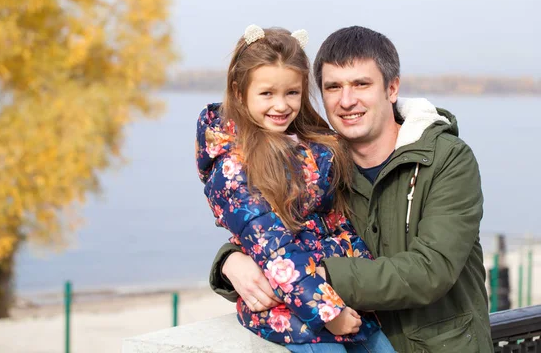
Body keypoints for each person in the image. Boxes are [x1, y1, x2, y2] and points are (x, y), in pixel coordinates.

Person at [209, 26, 494, 352]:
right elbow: (270, 227)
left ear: (392, 88)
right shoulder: (320, 165)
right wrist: (229, 262)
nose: (347, 100)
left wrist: (311, 275)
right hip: (358, 334)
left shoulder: (447, 160)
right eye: (333, 87)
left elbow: (430, 271)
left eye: (361, 84)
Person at [195, 25, 396, 352]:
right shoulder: (233, 167)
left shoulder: (312, 146)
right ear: (238, 90)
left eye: (291, 93)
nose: (281, 105)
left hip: (338, 295)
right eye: (267, 94)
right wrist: (327, 313)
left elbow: (334, 222)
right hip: (294, 313)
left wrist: (361, 279)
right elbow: (275, 248)